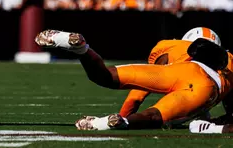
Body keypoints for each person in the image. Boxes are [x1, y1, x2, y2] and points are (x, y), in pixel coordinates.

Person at [35, 28, 232, 130]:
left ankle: (81, 48)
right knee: (155, 117)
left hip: (180, 71)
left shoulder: (171, 46)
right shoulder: (230, 61)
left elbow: (136, 96)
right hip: (204, 87)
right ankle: (120, 123)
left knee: (105, 76)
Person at [119, 27, 220, 118]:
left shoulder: (172, 49)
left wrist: (123, 116)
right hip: (204, 95)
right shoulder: (223, 64)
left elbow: (137, 95)